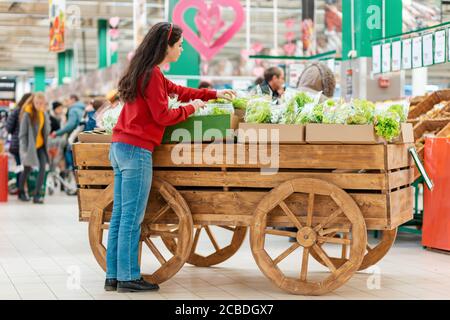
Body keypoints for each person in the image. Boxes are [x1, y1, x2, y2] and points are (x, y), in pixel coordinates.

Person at [105, 22, 235, 293]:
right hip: (136, 149)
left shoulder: (145, 72)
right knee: (131, 217)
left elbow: (179, 90)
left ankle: (114, 275)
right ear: (166, 46)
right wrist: (191, 109)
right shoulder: (151, 75)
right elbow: (163, 116)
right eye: (179, 45)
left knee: (120, 215)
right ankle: (129, 277)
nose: (182, 48)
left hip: (119, 147)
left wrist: (213, 94)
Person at [18, 92, 50, 204]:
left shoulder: (44, 114)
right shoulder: (27, 114)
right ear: (33, 102)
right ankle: (21, 191)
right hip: (29, 147)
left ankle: (37, 195)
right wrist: (24, 150)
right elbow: (22, 134)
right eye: (37, 102)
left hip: (41, 146)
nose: (39, 105)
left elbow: (45, 131)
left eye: (41, 103)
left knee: (42, 169)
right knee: (27, 169)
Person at [6, 93, 32, 194]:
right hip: (18, 145)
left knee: (22, 167)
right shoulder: (17, 111)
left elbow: (9, 128)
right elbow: (9, 127)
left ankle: (20, 189)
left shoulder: (30, 112)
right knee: (21, 167)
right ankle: (20, 190)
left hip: (24, 144)